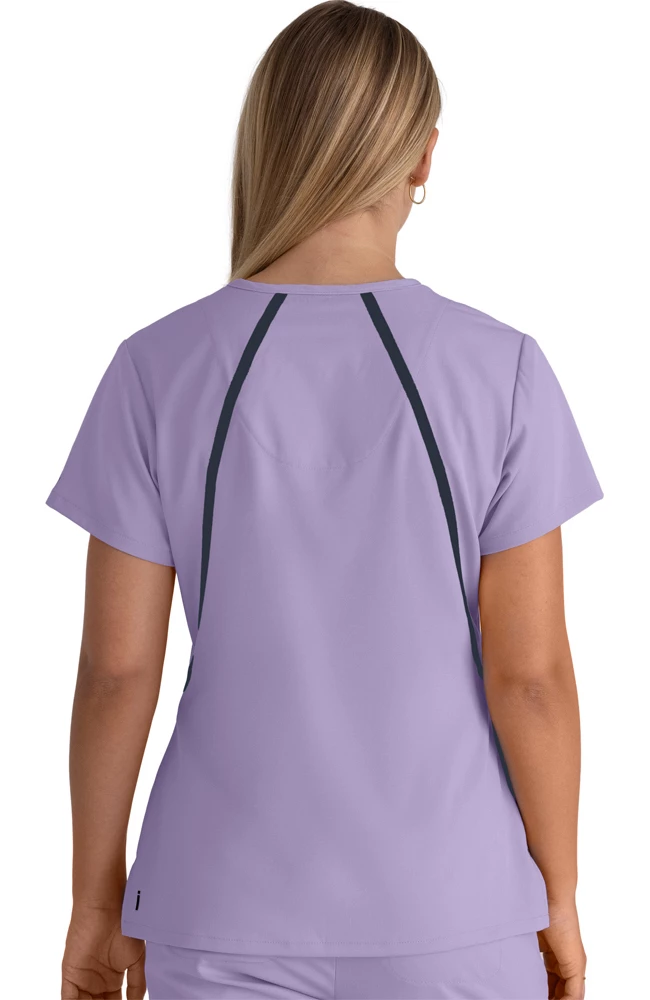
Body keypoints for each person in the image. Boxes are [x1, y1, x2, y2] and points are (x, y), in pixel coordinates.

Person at [48, 3, 603, 998]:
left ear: (269, 141)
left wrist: (95, 902)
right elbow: (530, 677)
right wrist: (556, 896)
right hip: (454, 914)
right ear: (422, 157)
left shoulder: (155, 367)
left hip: (216, 910)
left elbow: (117, 671)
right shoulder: (502, 368)